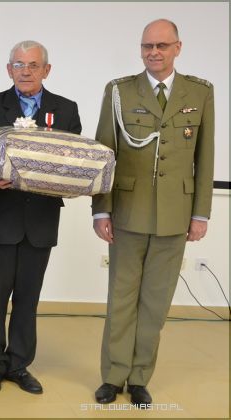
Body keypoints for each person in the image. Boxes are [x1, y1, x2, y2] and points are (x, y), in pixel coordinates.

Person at [92, 19, 214, 406]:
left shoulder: (200, 92)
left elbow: (205, 156)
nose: (154, 52)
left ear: (178, 47)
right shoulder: (118, 91)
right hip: (128, 211)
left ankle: (140, 377)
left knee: (156, 303)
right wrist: (101, 210)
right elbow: (105, 153)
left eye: (162, 45)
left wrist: (201, 214)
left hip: (175, 214)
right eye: (147, 46)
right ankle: (113, 376)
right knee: (121, 298)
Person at [0, 40, 81, 395]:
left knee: (28, 300)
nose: (26, 71)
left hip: (41, 222)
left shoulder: (65, 109)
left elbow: (74, 161)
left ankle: (19, 365)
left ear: (47, 70)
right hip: (0, 219)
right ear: (9, 69)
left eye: (33, 65)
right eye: (19, 64)